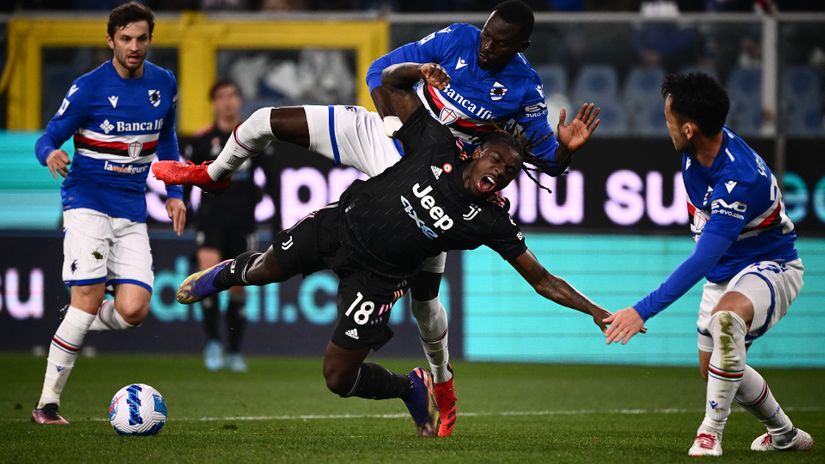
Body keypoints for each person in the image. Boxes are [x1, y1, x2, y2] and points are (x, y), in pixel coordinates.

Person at [152, 0, 600, 437]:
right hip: (399, 139)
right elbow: (380, 75)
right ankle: (211, 175)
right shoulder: (458, 40)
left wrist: (563, 150)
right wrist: (416, 81)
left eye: (500, 45)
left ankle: (442, 386)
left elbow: (546, 160)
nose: (487, 48)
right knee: (263, 121)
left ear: (522, 45)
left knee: (424, 304)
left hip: (438, 175)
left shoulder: (525, 88)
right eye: (486, 36)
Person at [603, 73, 814, 456]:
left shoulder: (739, 178)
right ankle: (784, 434)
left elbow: (703, 258)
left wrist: (642, 310)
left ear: (688, 128)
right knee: (715, 367)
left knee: (728, 323)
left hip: (771, 265)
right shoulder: (696, 148)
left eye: (668, 120)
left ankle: (709, 433)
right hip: (725, 274)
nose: (665, 127)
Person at [31, 2, 186, 424]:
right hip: (87, 202)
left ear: (150, 40)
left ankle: (77, 319)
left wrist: (173, 191)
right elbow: (48, 137)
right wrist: (51, 156)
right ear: (110, 41)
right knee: (89, 298)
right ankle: (47, 404)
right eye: (125, 39)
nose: (134, 47)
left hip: (131, 208)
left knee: (134, 310)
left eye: (141, 39)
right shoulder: (88, 88)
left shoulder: (164, 84)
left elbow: (166, 139)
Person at [183, 80, 265, 372]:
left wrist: (277, 216)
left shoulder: (254, 135)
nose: (227, 102)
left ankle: (234, 351)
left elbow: (273, 177)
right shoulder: (203, 139)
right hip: (211, 218)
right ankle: (213, 343)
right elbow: (187, 177)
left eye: (232, 96)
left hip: (243, 222)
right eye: (221, 97)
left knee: (238, 286)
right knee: (208, 276)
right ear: (213, 103)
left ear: (240, 100)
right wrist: (186, 210)